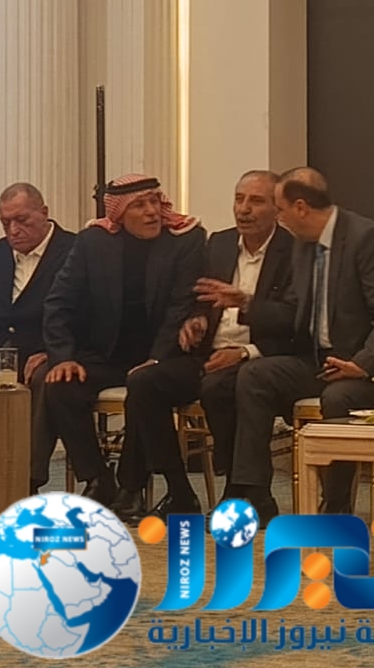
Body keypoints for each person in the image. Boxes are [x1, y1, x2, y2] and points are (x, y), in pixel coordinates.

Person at [117, 170, 296, 522]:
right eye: (239, 199)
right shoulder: (220, 243)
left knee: (219, 387)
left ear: (278, 208)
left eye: (256, 201)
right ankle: (180, 491)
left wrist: (245, 350)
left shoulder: (294, 251)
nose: (244, 209)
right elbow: (200, 299)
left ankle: (239, 489)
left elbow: (295, 319)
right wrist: (196, 321)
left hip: (257, 357)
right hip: (209, 353)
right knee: (144, 382)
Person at [230, 167, 374, 515]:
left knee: (338, 397)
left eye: (280, 210)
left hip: (364, 366)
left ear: (300, 208)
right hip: (317, 360)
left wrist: (362, 363)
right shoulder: (303, 246)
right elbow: (293, 310)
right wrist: (247, 304)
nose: (278, 218)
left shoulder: (365, 237)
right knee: (254, 375)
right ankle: (255, 493)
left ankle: (335, 504)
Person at [39, 174, 206, 505]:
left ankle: (131, 485)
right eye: (139, 205)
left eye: (154, 202)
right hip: (108, 354)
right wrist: (63, 356)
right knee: (58, 384)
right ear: (119, 213)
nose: (152, 212)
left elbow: (180, 306)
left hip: (167, 356)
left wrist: (157, 357)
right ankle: (98, 479)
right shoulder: (93, 242)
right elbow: (58, 302)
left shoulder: (186, 238)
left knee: (143, 384)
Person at [0, 183, 72, 383]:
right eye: (5, 223)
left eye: (22, 220)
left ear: (44, 213)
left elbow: (87, 315)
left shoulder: (74, 251)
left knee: (51, 377)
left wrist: (56, 353)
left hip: (41, 359)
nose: (13, 230)